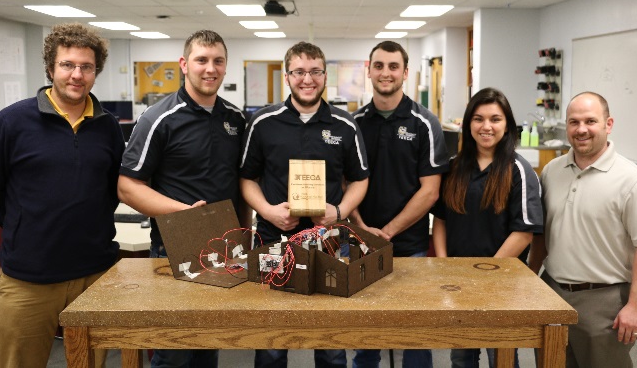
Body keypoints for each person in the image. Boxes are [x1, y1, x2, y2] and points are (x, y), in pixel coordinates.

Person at [0, 22, 124, 368]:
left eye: (86, 67)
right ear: (50, 68)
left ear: (95, 72)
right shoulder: (11, 122)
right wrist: (25, 224)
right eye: (67, 65)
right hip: (29, 280)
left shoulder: (107, 126)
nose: (77, 74)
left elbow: (112, 189)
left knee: (90, 364)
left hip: (95, 275)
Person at [118, 30, 248, 368]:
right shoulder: (158, 118)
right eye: (201, 60)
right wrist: (185, 213)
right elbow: (127, 186)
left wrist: (246, 237)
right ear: (184, 64)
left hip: (224, 250)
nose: (210, 68)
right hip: (174, 249)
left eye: (218, 61)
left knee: (208, 344)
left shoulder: (236, 118)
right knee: (174, 349)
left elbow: (241, 184)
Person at [240, 41, 369, 368]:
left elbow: (360, 179)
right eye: (299, 72)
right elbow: (247, 178)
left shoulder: (344, 124)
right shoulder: (263, 122)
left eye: (314, 72)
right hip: (273, 240)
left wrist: (338, 213)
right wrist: (267, 211)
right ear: (287, 77)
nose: (306, 79)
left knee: (330, 339)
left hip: (330, 243)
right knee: (272, 336)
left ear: (325, 76)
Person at [349, 40, 449, 368]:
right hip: (360, 246)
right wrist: (362, 227)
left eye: (394, 66)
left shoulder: (425, 123)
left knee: (415, 336)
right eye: (378, 66)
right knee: (365, 337)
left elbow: (430, 191)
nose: (386, 73)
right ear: (369, 71)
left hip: (410, 247)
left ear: (405, 73)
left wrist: (388, 231)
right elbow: (347, 182)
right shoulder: (354, 124)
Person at [528, 92, 637, 368]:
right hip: (553, 292)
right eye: (574, 122)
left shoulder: (634, 181)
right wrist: (532, 280)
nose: (581, 129)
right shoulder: (552, 171)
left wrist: (636, 307)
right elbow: (543, 235)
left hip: (604, 302)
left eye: (590, 121)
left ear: (608, 124)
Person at [431, 87, 543, 368]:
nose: (486, 126)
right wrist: (444, 264)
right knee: (461, 357)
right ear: (468, 124)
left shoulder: (518, 170)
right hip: (457, 282)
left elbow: (523, 232)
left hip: (500, 283)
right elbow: (441, 220)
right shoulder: (454, 168)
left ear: (507, 126)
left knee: (501, 357)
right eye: (478, 119)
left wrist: (485, 275)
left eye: (495, 119)